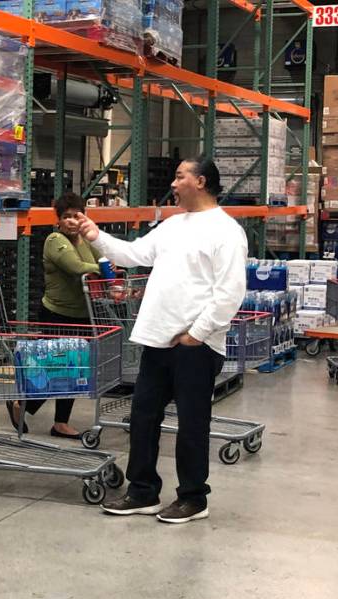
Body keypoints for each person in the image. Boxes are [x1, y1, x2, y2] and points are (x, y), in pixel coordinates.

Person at [78, 157, 247, 524]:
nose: (173, 183)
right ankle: (142, 491)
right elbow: (134, 254)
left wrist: (196, 334)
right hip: (157, 339)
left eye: (179, 176)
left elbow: (230, 292)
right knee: (143, 416)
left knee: (192, 423)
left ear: (200, 181)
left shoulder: (226, 231)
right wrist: (95, 235)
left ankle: (193, 498)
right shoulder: (173, 225)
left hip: (195, 346)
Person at [5, 192, 101, 438]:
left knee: (76, 369)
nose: (71, 221)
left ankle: (61, 423)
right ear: (58, 220)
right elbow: (76, 268)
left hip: (83, 314)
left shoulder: (85, 241)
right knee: (55, 367)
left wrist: (106, 267)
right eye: (66, 217)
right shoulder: (55, 239)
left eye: (76, 216)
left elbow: (102, 257)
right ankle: (22, 404)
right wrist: (105, 269)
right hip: (57, 315)